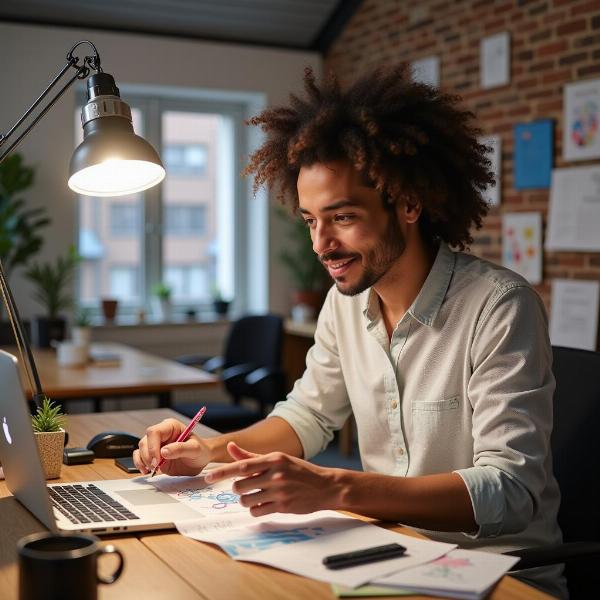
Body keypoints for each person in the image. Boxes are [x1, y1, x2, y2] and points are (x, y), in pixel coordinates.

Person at [134, 66, 565, 597]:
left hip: (500, 577)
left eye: (341, 217)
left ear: (408, 204)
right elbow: (309, 416)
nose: (321, 245)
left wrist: (334, 488)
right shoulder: (346, 303)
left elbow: (511, 489)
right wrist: (212, 452)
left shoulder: (499, 307)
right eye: (312, 220)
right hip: (390, 556)